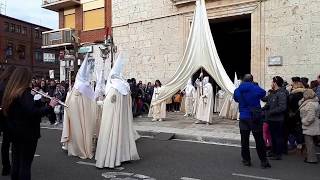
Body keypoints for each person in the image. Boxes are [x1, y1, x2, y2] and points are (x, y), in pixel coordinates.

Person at [2, 68, 58, 180]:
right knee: (25, 164)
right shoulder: (24, 93)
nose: (31, 82)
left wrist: (37, 100)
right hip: (27, 134)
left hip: (15, 132)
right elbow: (33, 112)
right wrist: (50, 106)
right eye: (29, 79)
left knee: (16, 162)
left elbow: (24, 109)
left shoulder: (11, 92)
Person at [95, 53, 140, 168]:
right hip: (124, 119)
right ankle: (124, 156)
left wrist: (99, 102)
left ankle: (112, 157)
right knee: (123, 134)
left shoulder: (114, 88)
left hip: (113, 119)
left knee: (112, 135)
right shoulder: (125, 87)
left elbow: (108, 105)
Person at [61, 53, 97, 159]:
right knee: (83, 129)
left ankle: (75, 147)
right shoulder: (84, 85)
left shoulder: (77, 85)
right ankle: (83, 147)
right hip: (83, 112)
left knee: (76, 129)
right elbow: (93, 99)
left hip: (74, 112)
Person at [234, 74, 271, 169]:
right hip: (255, 117)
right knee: (259, 140)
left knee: (244, 140)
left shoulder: (238, 89)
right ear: (252, 80)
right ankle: (263, 161)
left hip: (243, 117)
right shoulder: (255, 88)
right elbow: (263, 93)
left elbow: (236, 99)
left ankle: (246, 160)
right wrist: (256, 85)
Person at [266, 76, 287, 160]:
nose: (271, 84)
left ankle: (278, 154)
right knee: (272, 136)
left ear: (275, 83)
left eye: (272, 82)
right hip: (271, 119)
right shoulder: (274, 93)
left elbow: (282, 107)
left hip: (278, 119)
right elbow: (267, 102)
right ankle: (273, 151)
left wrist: (271, 111)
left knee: (277, 137)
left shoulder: (281, 93)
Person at [0, 65, 16, 176]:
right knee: (10, 143)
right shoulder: (11, 87)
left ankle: (6, 167)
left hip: (1, 116)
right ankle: (8, 167)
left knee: (5, 144)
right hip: (9, 117)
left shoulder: (1, 84)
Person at [298, 89, 320, 163]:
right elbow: (300, 104)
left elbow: (311, 116)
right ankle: (310, 157)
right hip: (313, 124)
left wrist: (304, 121)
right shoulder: (313, 101)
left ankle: (311, 159)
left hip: (310, 125)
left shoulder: (310, 104)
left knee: (309, 143)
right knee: (310, 142)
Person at [286, 81, 305, 152]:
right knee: (300, 130)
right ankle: (300, 143)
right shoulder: (305, 94)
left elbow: (288, 105)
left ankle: (292, 144)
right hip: (302, 115)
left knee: (292, 130)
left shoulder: (292, 95)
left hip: (293, 116)